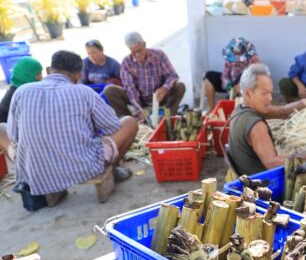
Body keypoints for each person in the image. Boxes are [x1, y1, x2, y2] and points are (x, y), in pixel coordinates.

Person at [0, 51, 138, 207]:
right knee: (129, 123)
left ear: (48, 70)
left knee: (1, 130)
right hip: (85, 167)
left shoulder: (21, 91)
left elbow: (14, 135)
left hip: (38, 171)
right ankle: (113, 169)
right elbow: (112, 127)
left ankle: (29, 181)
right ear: (78, 75)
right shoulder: (84, 92)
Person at [228, 63, 306, 176]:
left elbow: (283, 112)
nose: (270, 98)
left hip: (248, 176)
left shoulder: (240, 110)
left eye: (270, 92)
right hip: (263, 186)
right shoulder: (255, 126)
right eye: (264, 93)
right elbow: (272, 163)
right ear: (248, 93)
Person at [104, 32, 186, 120]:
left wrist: (164, 89)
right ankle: (130, 122)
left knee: (180, 86)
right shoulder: (127, 62)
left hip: (159, 96)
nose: (137, 55)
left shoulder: (159, 55)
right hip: (140, 98)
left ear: (144, 45)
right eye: (133, 52)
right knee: (109, 90)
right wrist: (139, 110)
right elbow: (130, 89)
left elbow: (172, 76)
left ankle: (168, 118)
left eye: (139, 50)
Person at [203, 37, 260, 111]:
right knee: (209, 75)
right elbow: (225, 75)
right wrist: (228, 84)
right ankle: (211, 109)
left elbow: (258, 74)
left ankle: (238, 109)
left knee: (242, 76)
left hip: (245, 85)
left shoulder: (252, 58)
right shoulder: (229, 59)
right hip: (232, 84)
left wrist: (242, 84)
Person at [0, 57, 43, 123]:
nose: (41, 77)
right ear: (26, 75)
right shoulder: (22, 93)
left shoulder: (16, 88)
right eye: (38, 74)